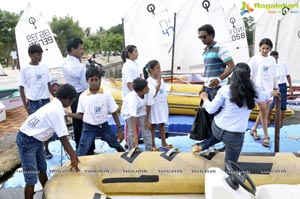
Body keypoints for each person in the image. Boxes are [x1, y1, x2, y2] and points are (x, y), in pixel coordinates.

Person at [193, 63, 280, 164]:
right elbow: (263, 96)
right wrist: (272, 93)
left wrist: (205, 98)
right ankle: (229, 173)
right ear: (248, 75)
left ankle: (202, 145)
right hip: (234, 135)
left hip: (217, 127)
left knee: (220, 135)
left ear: (233, 74)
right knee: (231, 165)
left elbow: (211, 109)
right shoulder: (253, 91)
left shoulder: (224, 89)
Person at [16, 84, 80, 199]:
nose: (70, 104)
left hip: (36, 139)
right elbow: (63, 138)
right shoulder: (56, 110)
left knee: (42, 168)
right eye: (72, 101)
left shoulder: (55, 105)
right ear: (67, 99)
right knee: (31, 178)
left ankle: (47, 195)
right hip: (26, 139)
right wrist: (73, 157)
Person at [66, 66, 125, 155]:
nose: (94, 82)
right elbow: (81, 115)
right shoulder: (83, 96)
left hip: (104, 127)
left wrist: (119, 129)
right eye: (91, 80)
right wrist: (69, 114)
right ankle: (76, 165)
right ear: (87, 80)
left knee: (115, 144)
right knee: (81, 151)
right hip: (88, 128)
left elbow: (114, 112)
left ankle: (125, 157)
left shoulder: (106, 94)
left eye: (96, 80)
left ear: (100, 80)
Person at [19, 44, 55, 159]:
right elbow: (21, 87)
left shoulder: (44, 66)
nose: (40, 57)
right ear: (31, 55)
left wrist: (55, 97)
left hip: (45, 101)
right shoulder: (25, 69)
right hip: (33, 103)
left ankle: (46, 148)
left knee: (47, 125)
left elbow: (49, 83)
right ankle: (36, 150)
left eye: (41, 54)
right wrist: (25, 105)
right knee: (35, 127)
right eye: (38, 55)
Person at [61, 38, 95, 154]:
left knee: (77, 122)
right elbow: (85, 85)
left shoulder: (64, 63)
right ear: (73, 49)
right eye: (80, 48)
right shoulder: (80, 67)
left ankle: (80, 147)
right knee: (87, 121)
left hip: (72, 96)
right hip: (82, 94)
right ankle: (89, 149)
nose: (82, 51)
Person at [248, 38, 278, 147]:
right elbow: (250, 75)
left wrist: (276, 88)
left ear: (270, 49)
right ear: (259, 47)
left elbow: (274, 75)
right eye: (263, 48)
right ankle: (266, 136)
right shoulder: (254, 59)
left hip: (269, 90)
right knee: (265, 113)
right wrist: (251, 89)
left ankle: (253, 129)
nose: (265, 50)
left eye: (267, 48)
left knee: (263, 112)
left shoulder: (272, 60)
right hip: (258, 91)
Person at [197, 24, 235, 102]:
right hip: (207, 88)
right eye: (200, 37)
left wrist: (219, 79)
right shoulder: (205, 51)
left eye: (204, 37)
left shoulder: (221, 49)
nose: (202, 39)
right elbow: (208, 71)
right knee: (207, 113)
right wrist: (204, 86)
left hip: (218, 88)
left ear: (212, 35)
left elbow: (231, 67)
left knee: (217, 113)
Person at [143, 60, 171, 151]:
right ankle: (153, 144)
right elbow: (152, 94)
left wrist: (167, 105)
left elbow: (163, 93)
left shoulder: (161, 79)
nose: (160, 69)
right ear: (151, 69)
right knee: (153, 125)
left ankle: (164, 142)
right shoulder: (149, 81)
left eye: (160, 67)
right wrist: (158, 84)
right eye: (157, 67)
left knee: (162, 124)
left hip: (162, 105)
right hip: (154, 106)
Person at [121, 78, 153, 151]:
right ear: (140, 91)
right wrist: (136, 137)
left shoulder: (148, 92)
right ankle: (132, 149)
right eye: (146, 88)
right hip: (128, 113)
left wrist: (147, 121)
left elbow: (149, 106)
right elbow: (133, 119)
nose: (148, 88)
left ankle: (149, 150)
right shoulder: (133, 99)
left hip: (140, 110)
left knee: (146, 129)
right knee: (132, 131)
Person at [121, 45, 143, 146]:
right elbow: (129, 83)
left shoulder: (134, 64)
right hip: (131, 96)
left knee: (136, 120)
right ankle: (128, 142)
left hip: (136, 94)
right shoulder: (128, 66)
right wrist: (135, 95)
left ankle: (136, 138)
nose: (137, 53)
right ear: (129, 54)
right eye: (135, 51)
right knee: (130, 121)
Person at [269, 51, 293, 127]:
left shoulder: (283, 64)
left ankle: (280, 122)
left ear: (278, 57)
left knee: (282, 105)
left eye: (275, 57)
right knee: (271, 104)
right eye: (272, 58)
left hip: (282, 85)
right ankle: (267, 120)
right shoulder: (268, 65)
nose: (274, 59)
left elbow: (288, 75)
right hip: (272, 86)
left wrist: (291, 87)